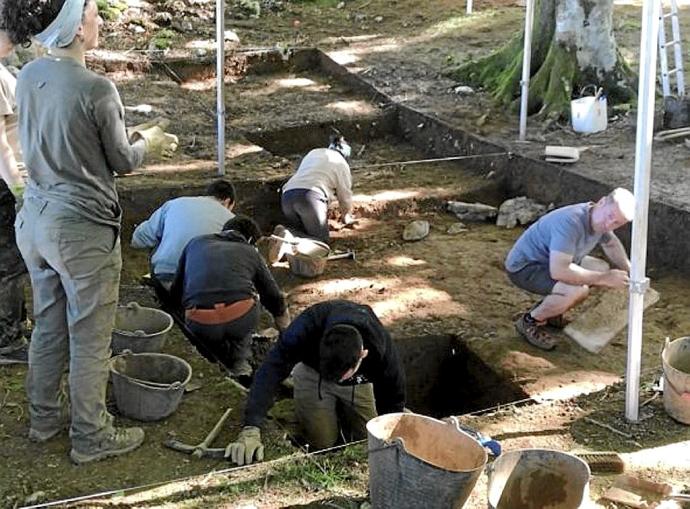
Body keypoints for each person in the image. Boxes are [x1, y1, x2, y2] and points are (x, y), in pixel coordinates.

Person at [3, 0, 177, 463]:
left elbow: (69, 137)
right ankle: (91, 436)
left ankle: (44, 420)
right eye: (95, 15)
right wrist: (149, 143)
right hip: (79, 229)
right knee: (91, 335)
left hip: (36, 220)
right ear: (79, 28)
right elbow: (122, 161)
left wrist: (126, 133)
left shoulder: (30, 76)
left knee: (48, 323)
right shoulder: (98, 88)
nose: (100, 21)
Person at [225, 299, 406, 466]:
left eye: (340, 376)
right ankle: (297, 410)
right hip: (313, 375)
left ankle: (339, 413)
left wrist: (392, 436)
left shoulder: (380, 348)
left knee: (367, 440)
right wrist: (251, 427)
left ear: (362, 355)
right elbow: (270, 370)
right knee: (323, 443)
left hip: (357, 384)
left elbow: (392, 395)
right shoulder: (305, 329)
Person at [505, 188, 635, 351]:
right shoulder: (571, 222)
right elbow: (559, 271)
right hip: (525, 267)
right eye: (610, 217)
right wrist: (604, 278)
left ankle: (552, 311)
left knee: (598, 267)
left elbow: (611, 243)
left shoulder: (597, 218)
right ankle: (530, 321)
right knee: (576, 291)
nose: (610, 224)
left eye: (617, 223)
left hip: (551, 262)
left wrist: (630, 270)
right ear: (601, 202)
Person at [170, 215, 291, 378]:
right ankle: (240, 362)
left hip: (200, 321)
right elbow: (273, 297)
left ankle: (211, 355)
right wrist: (287, 333)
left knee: (211, 343)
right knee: (249, 301)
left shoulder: (195, 243)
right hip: (239, 318)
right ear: (249, 240)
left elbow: (176, 290)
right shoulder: (249, 251)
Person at [131, 179, 236, 288]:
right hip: (205, 284)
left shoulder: (174, 204)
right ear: (228, 201)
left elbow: (138, 239)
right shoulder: (231, 219)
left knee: (157, 236)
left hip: (166, 277)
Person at [272, 135, 354, 258]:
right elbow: (345, 195)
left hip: (287, 195)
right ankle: (289, 238)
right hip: (311, 198)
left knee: (304, 233)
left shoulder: (313, 153)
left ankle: (288, 236)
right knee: (321, 243)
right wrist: (346, 216)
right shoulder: (341, 163)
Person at [0, 24, 28, 364]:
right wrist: (19, 188)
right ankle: (7, 340)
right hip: (4, 184)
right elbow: (1, 146)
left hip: (6, 181)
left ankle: (16, 325)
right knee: (8, 264)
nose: (16, 37)